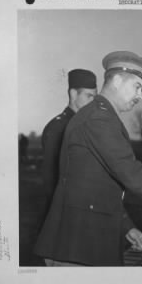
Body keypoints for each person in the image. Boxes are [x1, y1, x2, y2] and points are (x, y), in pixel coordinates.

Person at [34, 51, 142, 266]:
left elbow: (100, 186)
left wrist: (126, 226)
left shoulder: (101, 116)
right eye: (137, 87)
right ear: (118, 80)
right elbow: (129, 171)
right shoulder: (98, 118)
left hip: (85, 242)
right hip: (77, 246)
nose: (140, 96)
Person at [41, 69, 97, 216]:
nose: (93, 102)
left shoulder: (84, 125)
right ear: (73, 94)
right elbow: (52, 179)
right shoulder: (58, 127)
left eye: (94, 97)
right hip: (63, 212)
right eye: (88, 96)